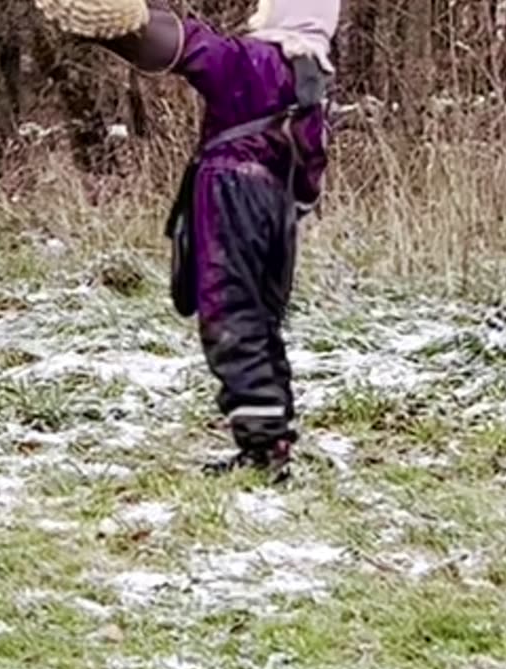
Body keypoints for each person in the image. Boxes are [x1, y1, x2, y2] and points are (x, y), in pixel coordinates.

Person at [38, 0, 341, 483]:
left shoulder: (257, 61)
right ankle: (273, 436)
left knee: (230, 319)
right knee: (260, 323)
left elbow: (191, 48)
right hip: (277, 210)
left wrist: (125, 24)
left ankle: (263, 452)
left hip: (232, 196)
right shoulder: (313, 85)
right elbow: (310, 174)